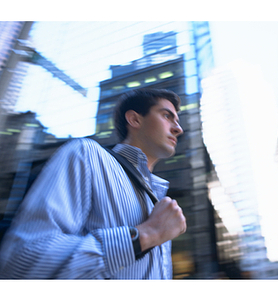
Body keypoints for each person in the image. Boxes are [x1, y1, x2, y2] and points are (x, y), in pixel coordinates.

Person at [0, 88, 186, 279]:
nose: (178, 129)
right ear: (135, 119)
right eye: (166, 116)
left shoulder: (157, 198)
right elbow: (21, 262)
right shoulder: (86, 156)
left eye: (177, 121)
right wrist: (147, 235)